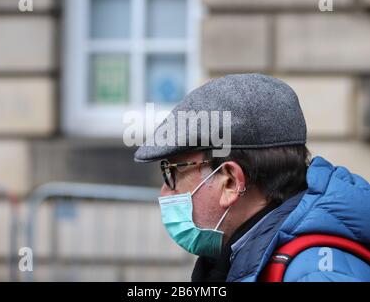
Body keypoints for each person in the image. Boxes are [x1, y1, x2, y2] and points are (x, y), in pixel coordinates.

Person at [134, 73, 370, 282]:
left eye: (172, 172)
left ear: (230, 181)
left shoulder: (315, 274)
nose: (164, 192)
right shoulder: (245, 258)